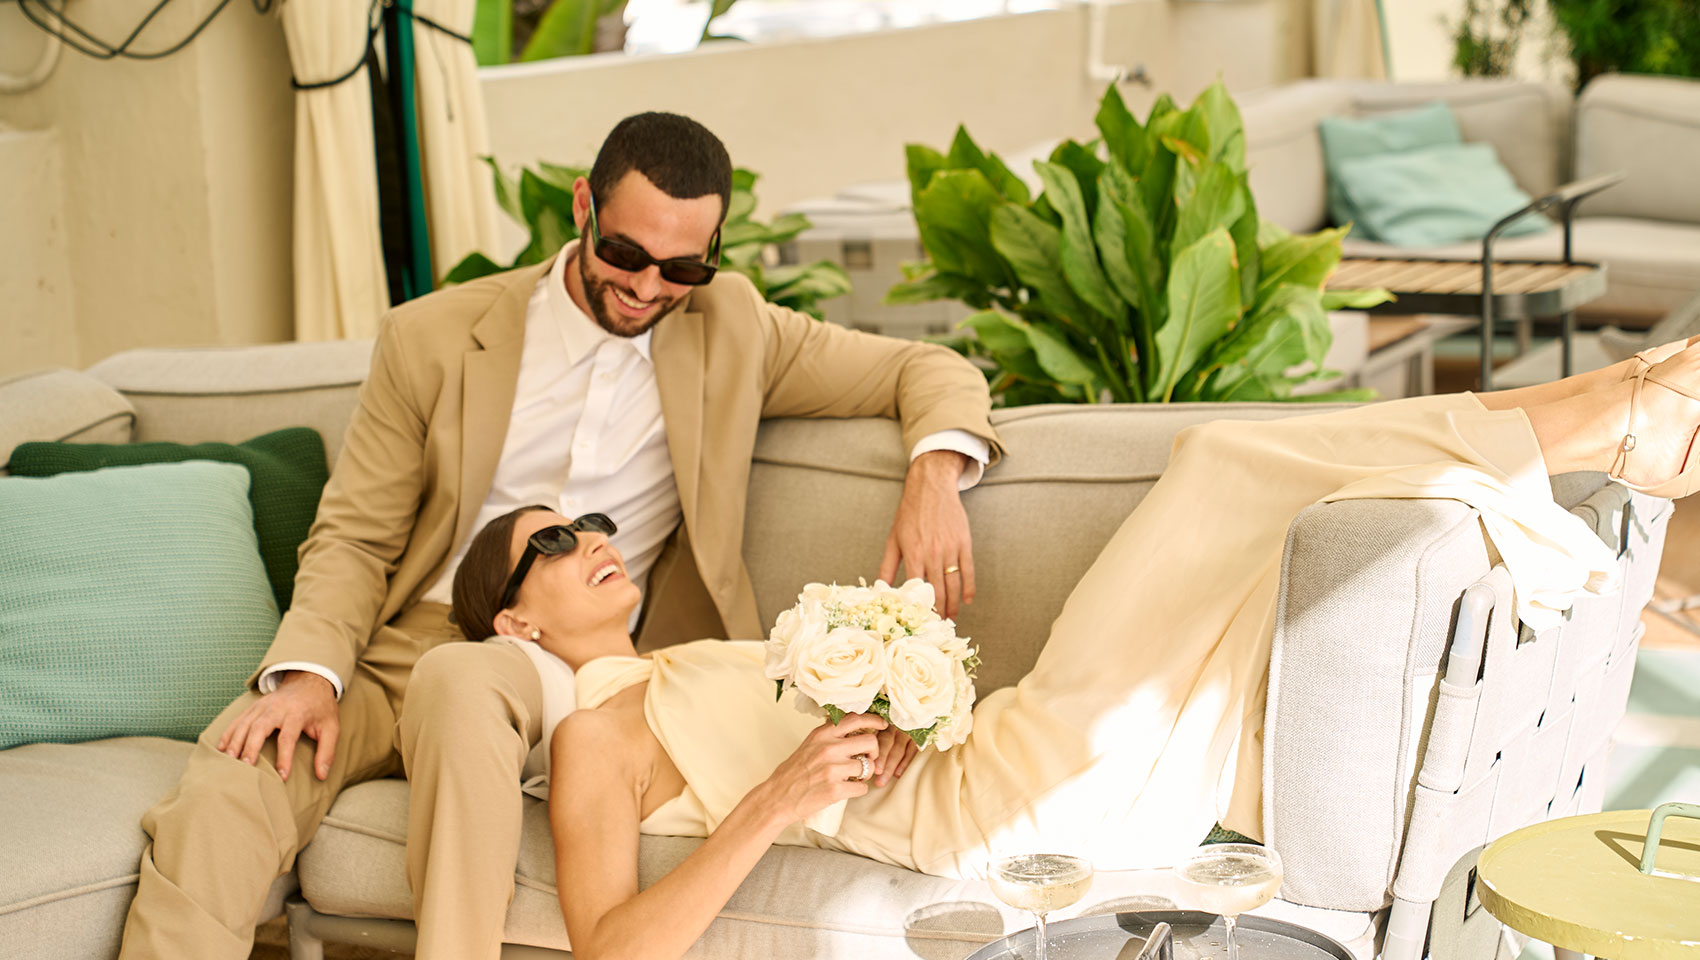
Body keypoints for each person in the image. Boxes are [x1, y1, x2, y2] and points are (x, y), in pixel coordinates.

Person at [448, 340, 1700, 960]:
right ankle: (1619, 409)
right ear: (513, 620)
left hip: (989, 750)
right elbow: (610, 946)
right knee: (1228, 470)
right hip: (984, 813)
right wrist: (780, 796)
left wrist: (907, 676)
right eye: (550, 544)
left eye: (589, 522)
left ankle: (1617, 405)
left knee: (1234, 464)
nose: (590, 538)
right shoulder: (588, 737)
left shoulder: (683, 658)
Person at [117, 112, 1002, 960]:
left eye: (681, 269)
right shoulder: (430, 337)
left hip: (584, 668)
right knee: (236, 776)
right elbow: (353, 535)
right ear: (583, 207)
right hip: (398, 652)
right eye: (624, 254)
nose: (649, 287)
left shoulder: (734, 328)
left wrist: (934, 473)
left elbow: (927, 366)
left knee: (465, 676)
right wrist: (309, 674)